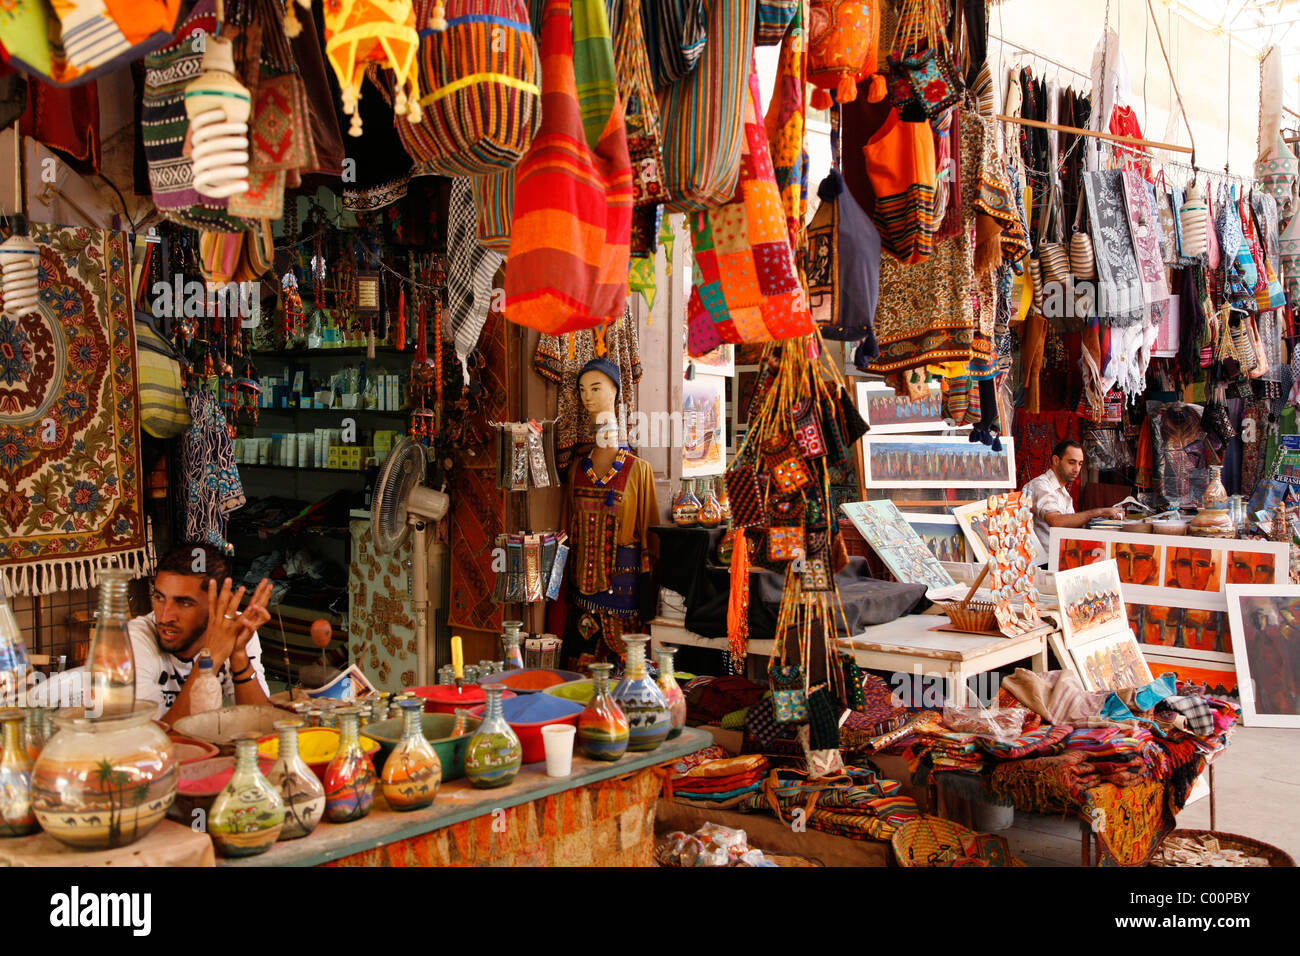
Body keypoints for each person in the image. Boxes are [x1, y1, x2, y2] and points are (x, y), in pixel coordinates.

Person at [130, 544, 275, 722]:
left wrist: (238, 655)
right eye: (159, 597)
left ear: (220, 604)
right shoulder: (133, 639)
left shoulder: (234, 628)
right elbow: (155, 744)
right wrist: (211, 657)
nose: (165, 617)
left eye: (184, 602)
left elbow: (261, 723)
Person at [1022, 439, 1122, 558]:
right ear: (1056, 460)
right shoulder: (1040, 485)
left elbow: (1069, 527)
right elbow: (1056, 521)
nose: (1076, 469)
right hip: (1043, 563)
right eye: (1071, 462)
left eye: (1080, 464)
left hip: (1060, 559)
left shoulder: (1063, 492)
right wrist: (1098, 512)